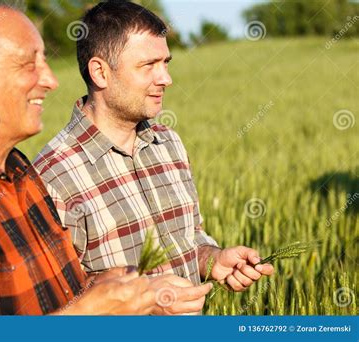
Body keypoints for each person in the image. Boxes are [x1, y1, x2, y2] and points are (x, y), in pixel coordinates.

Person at [0, 0, 211, 315]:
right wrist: (91, 313)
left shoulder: (20, 174)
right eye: (30, 64)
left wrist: (120, 288)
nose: (51, 81)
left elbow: (56, 297)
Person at [34, 1, 274, 294]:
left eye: (166, 63)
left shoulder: (168, 144)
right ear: (99, 72)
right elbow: (55, 299)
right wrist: (145, 301)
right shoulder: (52, 175)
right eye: (148, 65)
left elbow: (190, 239)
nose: (166, 79)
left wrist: (211, 260)